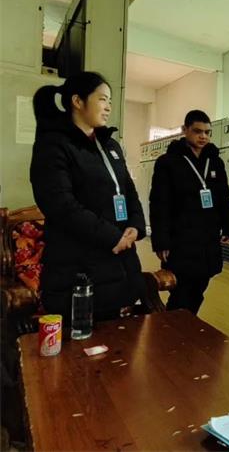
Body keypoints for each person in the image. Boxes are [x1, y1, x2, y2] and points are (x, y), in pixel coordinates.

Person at [30, 71, 148, 321]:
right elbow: (60, 205)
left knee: (120, 338)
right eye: (103, 99)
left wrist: (136, 226)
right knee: (84, 341)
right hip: (78, 267)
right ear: (77, 101)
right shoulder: (53, 144)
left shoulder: (110, 146)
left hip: (120, 261)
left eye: (110, 101)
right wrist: (112, 236)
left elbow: (129, 191)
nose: (109, 107)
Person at [149, 110, 229, 315]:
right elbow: (159, 203)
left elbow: (223, 197)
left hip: (207, 238)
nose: (203, 136)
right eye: (197, 131)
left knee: (199, 288)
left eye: (207, 132)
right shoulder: (168, 162)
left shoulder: (215, 162)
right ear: (185, 130)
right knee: (181, 291)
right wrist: (161, 240)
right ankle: (174, 329)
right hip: (180, 239)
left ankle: (184, 325)